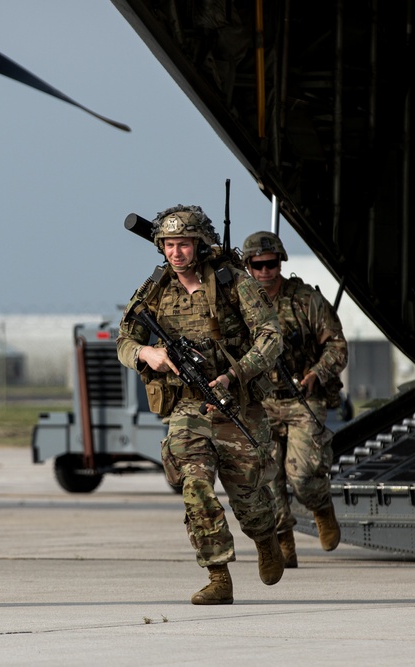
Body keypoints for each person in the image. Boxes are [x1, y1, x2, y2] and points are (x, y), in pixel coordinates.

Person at [117, 205, 284, 605]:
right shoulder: (154, 290)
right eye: (170, 245)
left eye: (184, 245)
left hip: (236, 405)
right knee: (195, 488)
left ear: (199, 244)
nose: (176, 253)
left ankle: (264, 538)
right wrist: (146, 353)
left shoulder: (233, 283)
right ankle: (218, 575)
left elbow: (271, 335)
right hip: (187, 409)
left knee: (250, 500)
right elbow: (123, 339)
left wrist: (235, 374)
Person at [242, 231, 347, 567]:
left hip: (302, 398)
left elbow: (336, 345)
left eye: (271, 264)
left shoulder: (305, 300)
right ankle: (284, 543)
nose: (264, 271)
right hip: (262, 402)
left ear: (280, 262)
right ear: (248, 266)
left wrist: (318, 372)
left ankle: (321, 508)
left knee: (303, 476)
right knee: (268, 480)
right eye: (257, 265)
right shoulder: (240, 306)